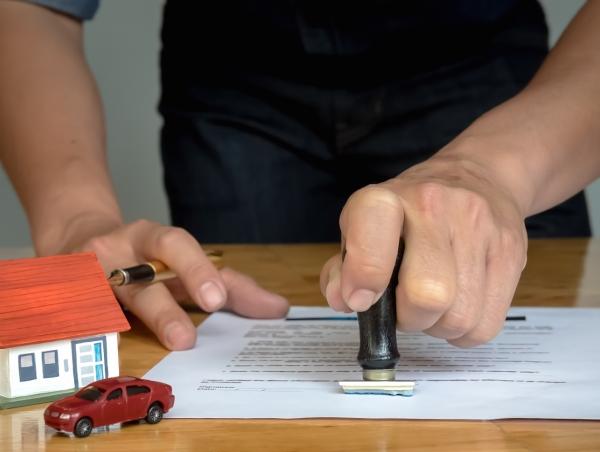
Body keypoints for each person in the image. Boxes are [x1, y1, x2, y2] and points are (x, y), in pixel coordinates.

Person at [1, 0, 599, 351]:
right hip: (233, 70)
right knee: (236, 325)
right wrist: (78, 219)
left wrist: (486, 171)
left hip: (488, 76)